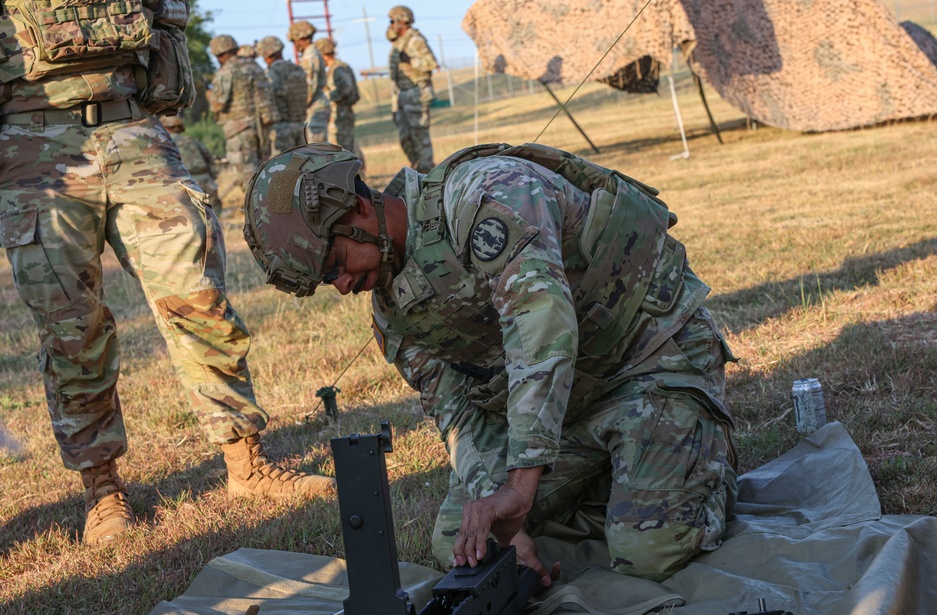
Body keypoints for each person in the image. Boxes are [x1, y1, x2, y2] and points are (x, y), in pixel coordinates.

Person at [242, 143, 739, 584]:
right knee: (461, 544)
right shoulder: (393, 313)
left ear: (357, 209)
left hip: (650, 358)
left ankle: (695, 467)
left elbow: (540, 323)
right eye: (329, 281)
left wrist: (521, 491)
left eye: (335, 264)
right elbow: (456, 414)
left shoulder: (488, 194)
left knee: (650, 551)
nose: (344, 285)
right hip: (571, 404)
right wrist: (500, 517)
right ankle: (624, 478)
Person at [0, 7, 335, 545]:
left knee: (198, 297)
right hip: (33, 144)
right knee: (71, 329)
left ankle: (245, 462)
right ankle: (102, 490)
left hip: (133, 127)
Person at [208, 34, 278, 206]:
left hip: (239, 131)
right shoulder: (254, 66)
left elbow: (218, 105)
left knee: (247, 177)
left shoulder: (226, 72)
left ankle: (260, 214)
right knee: (263, 171)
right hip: (261, 129)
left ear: (220, 54)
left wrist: (209, 95)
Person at [386, 5, 438, 173]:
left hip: (416, 92)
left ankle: (426, 171)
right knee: (405, 137)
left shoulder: (415, 40)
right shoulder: (400, 42)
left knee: (419, 137)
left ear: (401, 21)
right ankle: (417, 166)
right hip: (402, 94)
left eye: (393, 21)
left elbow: (431, 63)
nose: (391, 25)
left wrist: (411, 60)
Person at [314, 37, 365, 171]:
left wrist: (326, 97)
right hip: (338, 114)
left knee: (343, 149)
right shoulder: (335, 68)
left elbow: (346, 89)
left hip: (341, 114)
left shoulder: (339, 68)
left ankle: (354, 176)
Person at [256, 35, 309, 155]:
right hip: (300, 125)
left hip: (282, 129)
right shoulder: (297, 69)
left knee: (283, 170)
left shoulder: (271, 73)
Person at [160, 114, 222, 210]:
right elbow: (210, 160)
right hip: (206, 181)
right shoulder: (193, 141)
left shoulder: (166, 145)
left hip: (186, 185)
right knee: (215, 215)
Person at [287, 21, 331, 144]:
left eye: (294, 41)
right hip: (316, 108)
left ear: (301, 38)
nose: (295, 45)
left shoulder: (309, 57)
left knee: (316, 152)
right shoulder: (313, 54)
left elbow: (308, 89)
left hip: (314, 110)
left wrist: (297, 110)